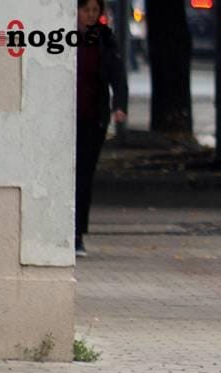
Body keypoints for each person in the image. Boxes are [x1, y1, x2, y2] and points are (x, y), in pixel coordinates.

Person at [76, 0, 128, 256]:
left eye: (95, 11)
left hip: (93, 118)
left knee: (84, 176)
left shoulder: (104, 39)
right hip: (68, 117)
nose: (90, 15)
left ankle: (77, 233)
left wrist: (120, 105)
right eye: (86, 10)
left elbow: (117, 74)